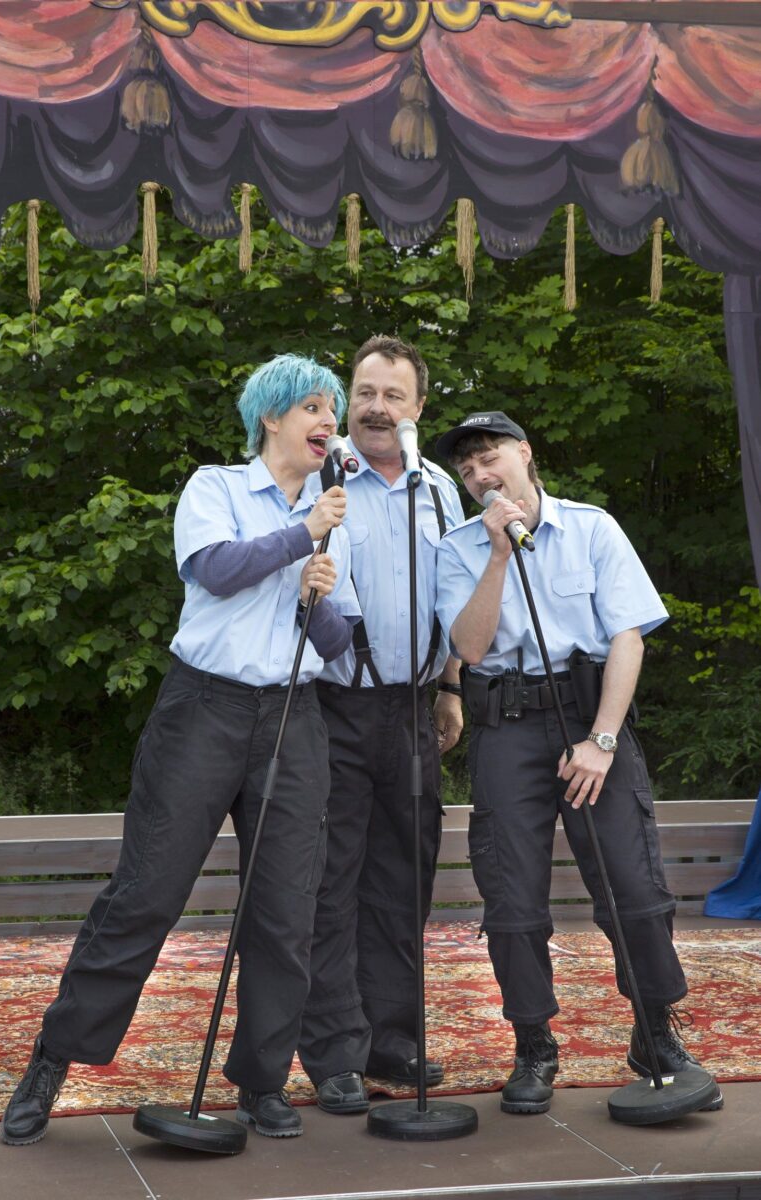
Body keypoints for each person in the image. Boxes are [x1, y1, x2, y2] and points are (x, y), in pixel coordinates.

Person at [1, 354, 361, 1145]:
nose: (328, 421)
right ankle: (52, 1063)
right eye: (312, 406)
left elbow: (338, 646)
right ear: (271, 417)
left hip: (293, 721)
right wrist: (301, 534)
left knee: (285, 910)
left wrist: (318, 600)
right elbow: (216, 569)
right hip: (205, 710)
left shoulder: (338, 515)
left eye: (332, 409)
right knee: (145, 894)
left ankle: (262, 1084)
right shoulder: (217, 489)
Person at [434, 411, 721, 1116]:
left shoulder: (592, 528)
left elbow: (628, 638)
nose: (478, 474)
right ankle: (533, 1045)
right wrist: (499, 555)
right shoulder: (459, 549)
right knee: (511, 897)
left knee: (633, 884)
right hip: (506, 727)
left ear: (524, 454)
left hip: (593, 719)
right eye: (466, 468)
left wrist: (602, 740)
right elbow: (469, 650)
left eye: (489, 456)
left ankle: (655, 1034)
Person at [297, 336, 466, 1116]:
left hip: (414, 708)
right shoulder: (319, 481)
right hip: (332, 708)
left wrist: (452, 690)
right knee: (332, 881)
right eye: (364, 392)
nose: (375, 408)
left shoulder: (440, 489)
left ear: (418, 408)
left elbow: (458, 598)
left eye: (393, 396)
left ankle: (391, 1037)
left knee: (406, 876)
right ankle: (333, 1050)